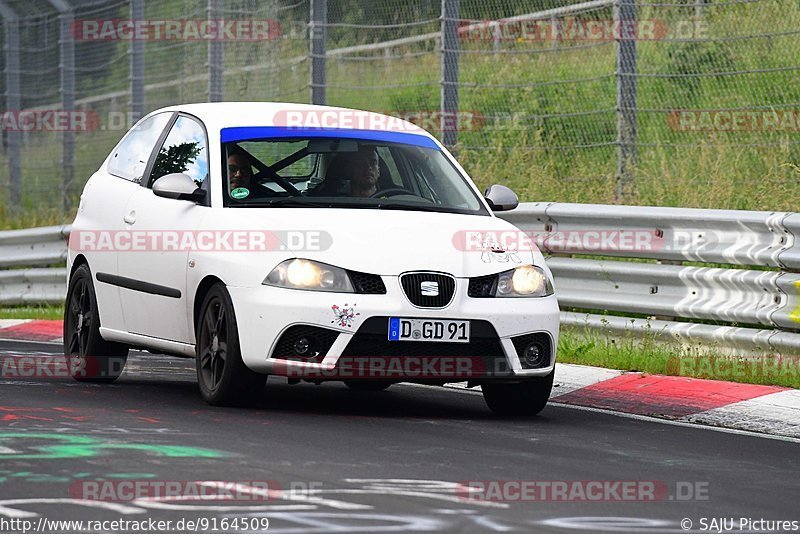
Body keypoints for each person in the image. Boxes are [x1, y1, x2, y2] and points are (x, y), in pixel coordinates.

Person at [313, 146, 380, 198]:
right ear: (348, 171)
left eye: (373, 163)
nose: (368, 167)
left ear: (379, 171)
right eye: (360, 163)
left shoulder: (388, 200)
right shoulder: (334, 203)